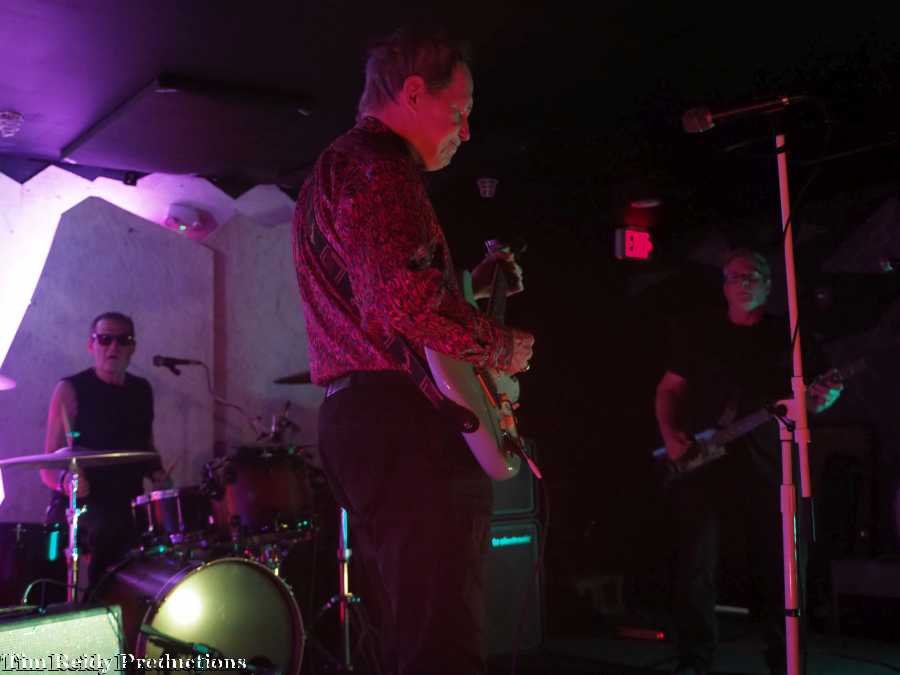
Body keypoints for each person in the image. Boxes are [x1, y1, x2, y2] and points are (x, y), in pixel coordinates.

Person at [291, 27, 534, 675]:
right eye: (460, 111)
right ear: (415, 92)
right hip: (403, 425)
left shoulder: (336, 169)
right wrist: (502, 346)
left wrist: (470, 285)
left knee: (411, 631)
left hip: (365, 420)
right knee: (442, 639)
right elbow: (404, 300)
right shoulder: (379, 169)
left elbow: (380, 296)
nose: (467, 131)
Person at [654, 249, 843, 675]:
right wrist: (672, 439)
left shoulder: (789, 337)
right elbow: (668, 389)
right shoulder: (698, 332)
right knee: (696, 566)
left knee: (782, 568)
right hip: (704, 466)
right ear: (723, 285)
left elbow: (812, 402)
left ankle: (785, 660)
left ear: (769, 284)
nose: (743, 283)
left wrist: (825, 397)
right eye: (734, 276)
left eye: (752, 275)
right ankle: (694, 661)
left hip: (771, 469)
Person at [40, 311, 170, 593]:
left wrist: (158, 473)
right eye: (105, 339)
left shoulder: (141, 390)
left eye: (123, 340)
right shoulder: (70, 389)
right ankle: (101, 604)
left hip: (129, 500)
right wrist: (66, 482)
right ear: (91, 344)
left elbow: (146, 446)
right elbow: (47, 464)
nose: (113, 347)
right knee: (111, 530)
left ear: (133, 347)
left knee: (170, 530)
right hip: (85, 504)